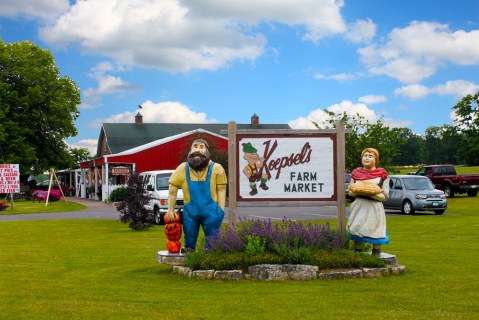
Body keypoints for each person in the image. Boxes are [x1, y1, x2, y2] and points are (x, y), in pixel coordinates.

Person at [165, 139, 227, 251]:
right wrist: (170, 209)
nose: (197, 149)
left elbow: (222, 190)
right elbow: (172, 189)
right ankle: (189, 249)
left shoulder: (217, 168)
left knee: (212, 237)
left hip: (211, 211)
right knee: (189, 233)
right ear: (190, 150)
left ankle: (211, 251)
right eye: (195, 146)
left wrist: (221, 209)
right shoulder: (182, 169)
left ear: (207, 151)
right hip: (190, 212)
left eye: (201, 147)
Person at [347, 148, 390, 256]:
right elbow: (351, 192)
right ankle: (357, 252)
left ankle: (376, 252)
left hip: (374, 207)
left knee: (375, 229)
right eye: (365, 155)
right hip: (359, 206)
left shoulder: (382, 175)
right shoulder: (356, 173)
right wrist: (358, 191)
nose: (367, 158)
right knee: (357, 227)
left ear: (376, 159)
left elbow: (384, 196)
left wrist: (370, 192)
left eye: (370, 156)